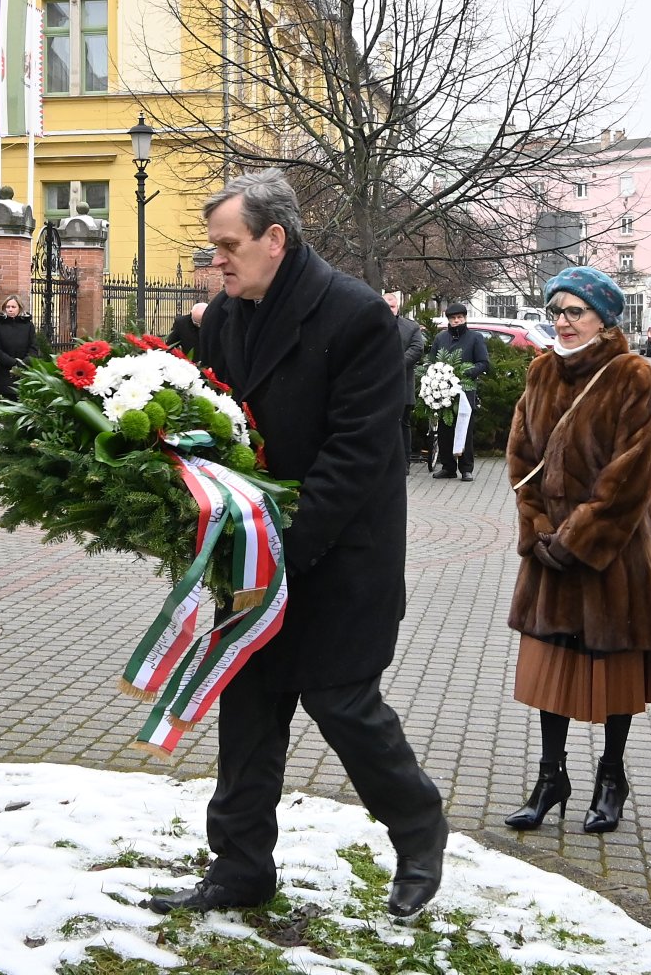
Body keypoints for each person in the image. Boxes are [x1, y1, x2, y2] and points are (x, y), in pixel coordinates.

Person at [151, 170, 449, 920]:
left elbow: (357, 458)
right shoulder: (225, 315)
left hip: (339, 559)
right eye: (214, 248)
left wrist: (284, 550)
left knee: (343, 705)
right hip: (253, 557)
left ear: (274, 239)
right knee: (248, 711)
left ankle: (418, 829)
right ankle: (240, 865)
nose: (217, 260)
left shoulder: (355, 317)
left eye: (228, 245)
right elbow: (214, 432)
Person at [503, 266, 651, 836]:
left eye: (575, 311)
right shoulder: (540, 372)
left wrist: (579, 537)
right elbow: (519, 458)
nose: (563, 322)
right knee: (551, 665)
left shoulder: (635, 377)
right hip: (550, 549)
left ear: (605, 318)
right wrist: (536, 527)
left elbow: (632, 473)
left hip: (615, 550)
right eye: (556, 310)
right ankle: (550, 777)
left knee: (615, 667)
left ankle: (611, 777)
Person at [430, 303, 491, 480]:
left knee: (465, 428)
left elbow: (483, 363)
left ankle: (466, 468)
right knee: (444, 430)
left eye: (460, 318)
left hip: (465, 390)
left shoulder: (475, 338)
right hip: (443, 392)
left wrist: (467, 373)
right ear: (448, 320)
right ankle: (448, 467)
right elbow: (432, 360)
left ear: (465, 318)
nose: (457, 321)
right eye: (453, 318)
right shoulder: (441, 338)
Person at [385, 291, 426, 466]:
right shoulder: (369, 325)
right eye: (385, 306)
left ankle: (404, 463)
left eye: (392, 306)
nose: (389, 310)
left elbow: (417, 348)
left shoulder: (410, 327)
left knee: (402, 425)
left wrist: (396, 364)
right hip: (378, 387)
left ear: (398, 308)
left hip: (402, 384)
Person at [0, 295, 40, 398]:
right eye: (8, 307)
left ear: (19, 308)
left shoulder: (28, 325)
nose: (10, 309)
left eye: (13, 307)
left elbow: (33, 347)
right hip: (6, 372)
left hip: (24, 371)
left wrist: (23, 363)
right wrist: (13, 363)